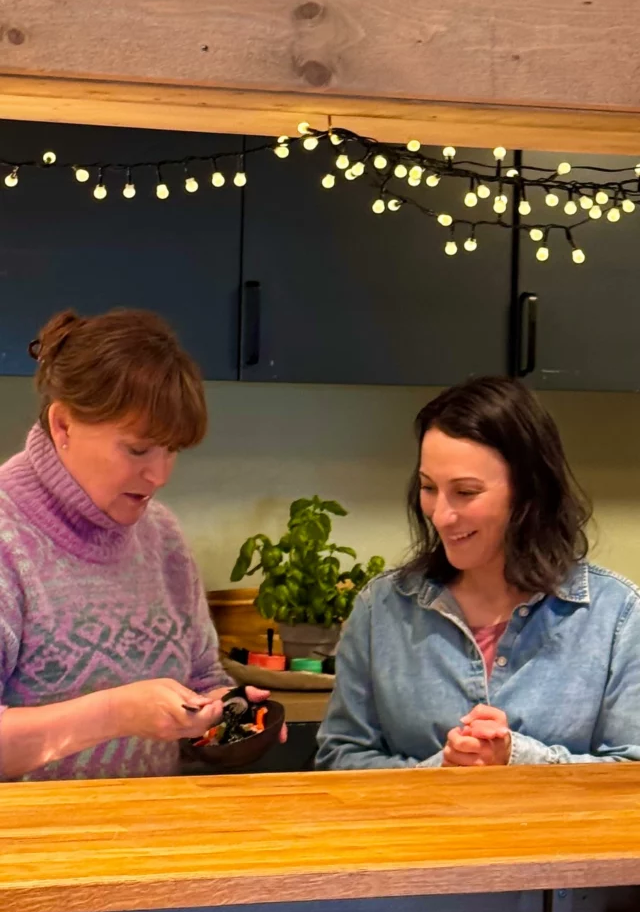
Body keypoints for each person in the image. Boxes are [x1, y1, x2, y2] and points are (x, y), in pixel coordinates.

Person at [0, 307, 280, 781]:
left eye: (172, 450)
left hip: (147, 840)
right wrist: (114, 714)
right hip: (31, 850)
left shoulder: (163, 538)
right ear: (63, 424)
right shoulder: (9, 539)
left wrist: (225, 717)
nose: (159, 475)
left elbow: (201, 681)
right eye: (137, 449)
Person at [316, 375, 640, 769]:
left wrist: (517, 758)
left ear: (528, 492)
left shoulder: (617, 616)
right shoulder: (381, 608)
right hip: (421, 832)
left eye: (466, 492)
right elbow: (339, 758)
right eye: (428, 487)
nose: (441, 514)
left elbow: (631, 772)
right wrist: (441, 771)